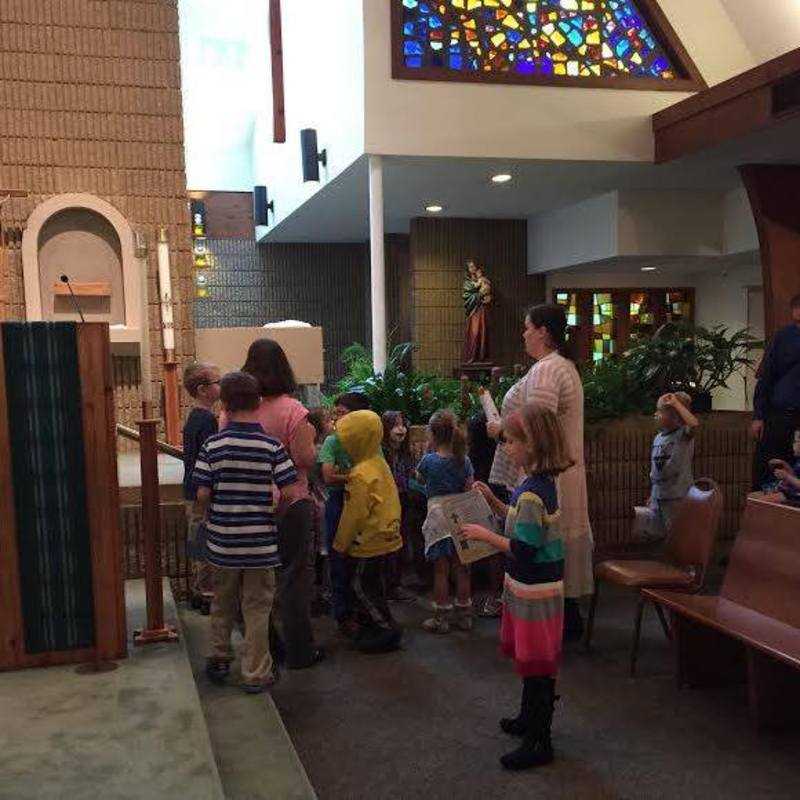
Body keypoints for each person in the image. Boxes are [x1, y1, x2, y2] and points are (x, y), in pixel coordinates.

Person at [463, 402, 572, 771]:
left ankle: (540, 740)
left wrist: (483, 534)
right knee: (534, 663)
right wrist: (494, 502)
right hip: (537, 587)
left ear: (533, 444)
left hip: (534, 589)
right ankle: (529, 719)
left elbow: (524, 548)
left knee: (538, 667)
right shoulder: (538, 485)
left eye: (511, 441)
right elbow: (525, 526)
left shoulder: (530, 492)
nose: (506, 447)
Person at [488, 304, 593, 641]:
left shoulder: (548, 370)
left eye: (527, 327)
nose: (523, 334)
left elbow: (537, 427)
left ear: (543, 332)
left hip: (550, 473)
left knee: (542, 544)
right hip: (559, 470)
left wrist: (499, 428)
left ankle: (549, 622)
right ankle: (561, 618)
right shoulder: (555, 366)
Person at [194, 372, 300, 693]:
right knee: (257, 608)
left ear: (223, 404)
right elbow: (291, 493)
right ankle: (255, 673)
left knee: (222, 602)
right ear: (257, 402)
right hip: (260, 545)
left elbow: (201, 494)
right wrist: (272, 515)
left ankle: (219, 656)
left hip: (223, 543)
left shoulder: (214, 444)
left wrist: (214, 514)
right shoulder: (271, 446)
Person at [238, 338, 324, 669]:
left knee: (255, 579)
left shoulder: (236, 411)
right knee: (293, 576)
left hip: (249, 502)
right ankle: (301, 651)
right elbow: (304, 458)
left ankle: (266, 648)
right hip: (291, 502)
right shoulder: (292, 410)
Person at [332, 410, 403, 653]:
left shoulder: (359, 474)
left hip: (367, 542)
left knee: (359, 587)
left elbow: (354, 515)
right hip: (388, 536)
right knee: (374, 585)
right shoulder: (379, 463)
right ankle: (376, 625)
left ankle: (385, 629)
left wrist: (341, 544)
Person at [417, 410, 475, 634]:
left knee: (440, 570)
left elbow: (420, 479)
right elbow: (469, 488)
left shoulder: (428, 461)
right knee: (462, 569)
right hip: (459, 516)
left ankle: (441, 618)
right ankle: (465, 615)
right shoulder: (464, 460)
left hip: (438, 518)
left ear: (432, 435)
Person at [318, 392, 371, 634]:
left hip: (366, 502)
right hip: (339, 502)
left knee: (364, 558)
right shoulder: (332, 441)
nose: (337, 418)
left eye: (342, 413)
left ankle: (364, 609)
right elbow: (328, 476)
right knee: (339, 558)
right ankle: (343, 614)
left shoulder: (369, 440)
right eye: (336, 413)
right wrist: (356, 476)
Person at [633, 392, 699, 543]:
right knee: (658, 536)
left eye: (660, 411)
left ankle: (684, 565)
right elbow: (656, 470)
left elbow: (694, 424)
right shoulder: (658, 437)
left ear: (675, 416)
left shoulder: (683, 435)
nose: (656, 415)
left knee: (679, 536)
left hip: (677, 495)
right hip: (659, 496)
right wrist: (653, 493)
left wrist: (676, 403)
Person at [181, 361, 221, 613]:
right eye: (216, 381)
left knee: (198, 540)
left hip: (193, 487)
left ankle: (199, 591)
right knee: (205, 541)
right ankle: (206, 594)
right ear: (203, 389)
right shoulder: (206, 420)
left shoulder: (196, 417)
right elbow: (209, 459)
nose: (221, 385)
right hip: (201, 490)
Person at [752, 294, 800, 490]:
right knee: (769, 472)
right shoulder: (783, 337)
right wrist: (758, 415)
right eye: (797, 321)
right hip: (780, 415)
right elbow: (766, 377)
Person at [468, 410, 507, 618]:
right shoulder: (502, 456)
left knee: (488, 549)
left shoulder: (471, 460)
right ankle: (497, 595)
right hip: (501, 502)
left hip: (479, 503)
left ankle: (472, 598)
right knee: (497, 550)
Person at [381, 410, 418, 604]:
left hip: (403, 499)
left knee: (401, 539)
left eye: (402, 424)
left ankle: (396, 583)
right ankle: (390, 584)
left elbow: (412, 475)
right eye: (395, 425)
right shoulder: (382, 453)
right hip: (387, 501)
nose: (400, 429)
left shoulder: (406, 453)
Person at [769, 428, 800, 503]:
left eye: (796, 441)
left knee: (756, 503)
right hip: (791, 492)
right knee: (752, 497)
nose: (793, 444)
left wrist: (786, 476)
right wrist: (784, 464)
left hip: (795, 496)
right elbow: (795, 477)